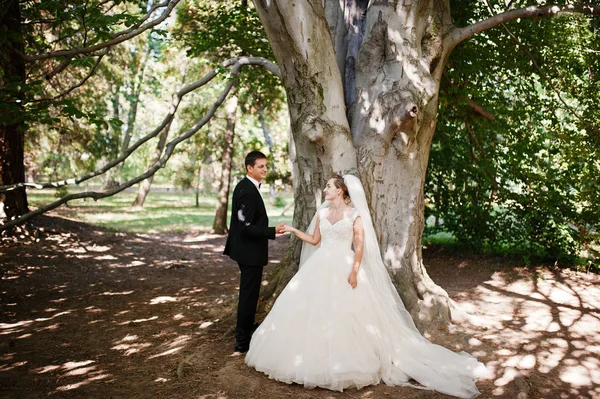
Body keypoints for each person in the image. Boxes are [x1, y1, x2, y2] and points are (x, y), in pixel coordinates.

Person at [245, 174, 488, 398]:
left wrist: (353, 271)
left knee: (349, 314)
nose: (326, 189)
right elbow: (315, 240)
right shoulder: (322, 214)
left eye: (330, 186)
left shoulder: (354, 215)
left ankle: (348, 364)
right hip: (319, 266)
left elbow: (359, 247)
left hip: (345, 266)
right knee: (309, 309)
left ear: (341, 191)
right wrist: (293, 230)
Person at [224, 151, 285, 355]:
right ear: (250, 168)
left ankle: (247, 329)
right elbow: (246, 227)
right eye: (261, 166)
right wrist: (272, 231)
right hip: (249, 252)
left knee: (249, 294)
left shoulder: (247, 186)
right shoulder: (247, 191)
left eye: (266, 166)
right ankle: (242, 342)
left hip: (247, 251)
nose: (265, 169)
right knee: (249, 296)